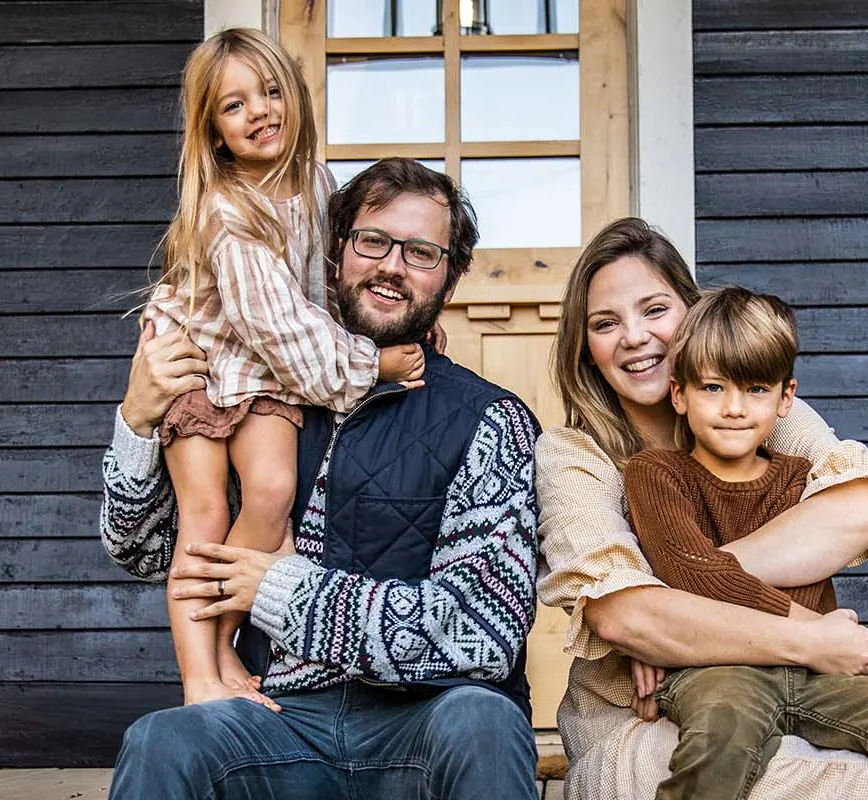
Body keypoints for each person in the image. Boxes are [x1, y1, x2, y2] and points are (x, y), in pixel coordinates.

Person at [99, 157, 540, 800]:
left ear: (452, 276)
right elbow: (142, 551)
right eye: (373, 241)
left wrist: (283, 591)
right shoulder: (260, 400)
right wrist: (137, 422)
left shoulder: (487, 421)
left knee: (485, 720)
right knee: (163, 741)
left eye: (421, 252)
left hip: (422, 722)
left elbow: (485, 633)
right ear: (336, 251)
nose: (392, 266)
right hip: (278, 723)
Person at [534, 218, 868, 799]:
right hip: (640, 707)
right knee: (759, 768)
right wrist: (808, 634)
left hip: (792, 682)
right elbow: (621, 619)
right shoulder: (577, 455)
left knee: (863, 774)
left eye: (655, 310)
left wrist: (673, 602)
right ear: (585, 347)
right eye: (606, 324)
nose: (634, 337)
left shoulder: (757, 406)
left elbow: (861, 513)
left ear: (693, 314)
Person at [142, 28, 430, 709]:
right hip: (201, 366)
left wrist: (392, 318)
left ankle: (222, 646)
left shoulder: (314, 182)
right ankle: (199, 677)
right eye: (235, 105)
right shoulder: (226, 212)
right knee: (205, 511)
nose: (261, 112)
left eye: (271, 92)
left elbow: (324, 288)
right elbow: (278, 326)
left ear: (295, 96)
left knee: (270, 493)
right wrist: (370, 361)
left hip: (263, 373)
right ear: (213, 131)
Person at [621, 287, 868, 800]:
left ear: (787, 397)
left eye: (756, 388)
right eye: (713, 388)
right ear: (679, 394)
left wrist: (707, 585)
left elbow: (715, 578)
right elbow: (685, 572)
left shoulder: (801, 482)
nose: (735, 408)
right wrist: (822, 632)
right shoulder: (657, 474)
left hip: (813, 675)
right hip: (715, 670)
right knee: (723, 730)